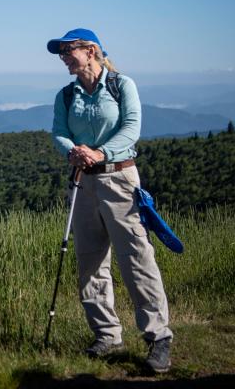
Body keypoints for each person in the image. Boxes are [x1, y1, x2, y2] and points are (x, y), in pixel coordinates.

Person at [47, 27, 173, 374]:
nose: (63, 58)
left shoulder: (121, 86)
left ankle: (158, 337)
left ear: (91, 50)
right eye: (60, 53)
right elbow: (58, 130)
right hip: (83, 183)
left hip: (119, 177)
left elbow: (132, 127)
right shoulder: (66, 95)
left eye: (67, 51)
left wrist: (100, 152)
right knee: (90, 262)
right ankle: (107, 335)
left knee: (136, 257)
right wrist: (72, 150)